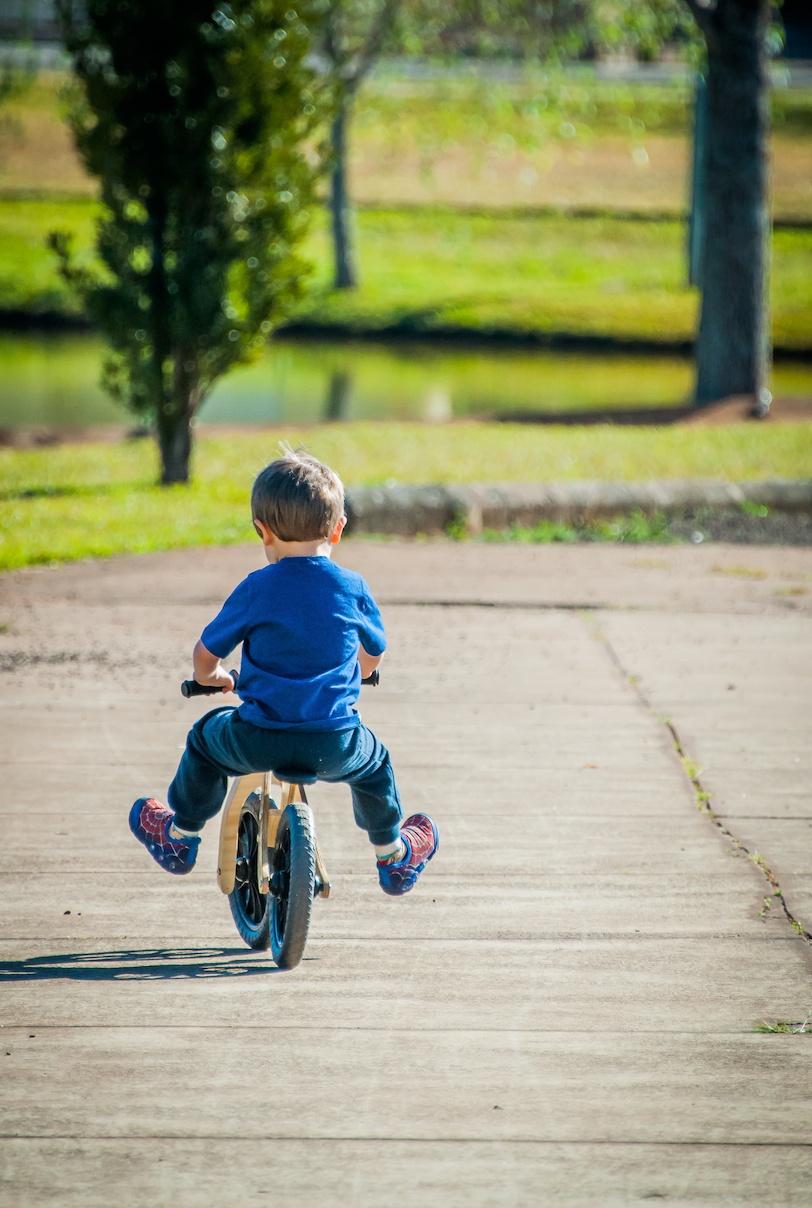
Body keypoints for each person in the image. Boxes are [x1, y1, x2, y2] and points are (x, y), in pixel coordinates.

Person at [129, 448, 438, 896]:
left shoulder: (256, 587)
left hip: (257, 738)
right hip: (333, 743)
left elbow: (205, 653)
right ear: (338, 528)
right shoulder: (353, 588)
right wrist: (363, 671)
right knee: (375, 764)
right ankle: (393, 855)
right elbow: (375, 651)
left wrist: (212, 678)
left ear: (262, 530)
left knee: (203, 740)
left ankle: (180, 837)